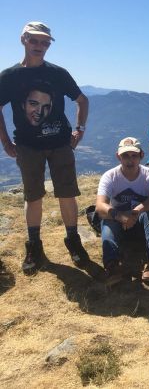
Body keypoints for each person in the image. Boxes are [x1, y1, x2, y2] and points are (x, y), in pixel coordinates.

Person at [0, 21, 90, 273]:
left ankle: (73, 241)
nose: (39, 46)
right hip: (28, 146)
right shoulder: (9, 76)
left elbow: (82, 100)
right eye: (34, 40)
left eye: (45, 42)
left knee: (67, 194)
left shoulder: (58, 73)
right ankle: (34, 246)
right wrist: (5, 141)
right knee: (33, 196)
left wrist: (80, 129)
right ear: (23, 40)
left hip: (60, 143)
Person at [95, 137, 149, 285]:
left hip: (140, 221)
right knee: (107, 219)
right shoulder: (110, 176)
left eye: (134, 155)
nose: (130, 160)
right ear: (118, 156)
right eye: (125, 156)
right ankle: (112, 266)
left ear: (141, 155)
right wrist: (120, 216)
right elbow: (100, 206)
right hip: (119, 221)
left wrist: (137, 210)